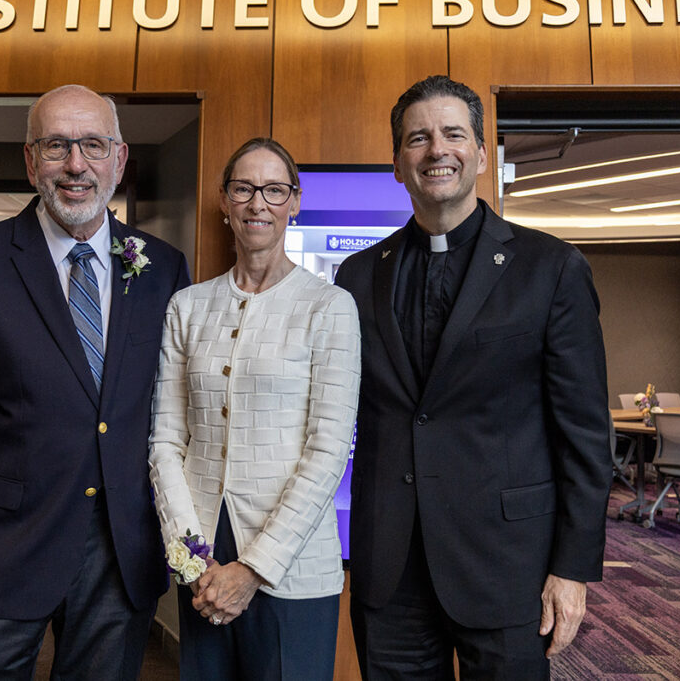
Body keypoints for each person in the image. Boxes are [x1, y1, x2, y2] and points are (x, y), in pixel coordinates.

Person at [335, 75, 611, 679]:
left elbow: (586, 437)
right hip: (391, 570)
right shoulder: (356, 278)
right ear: (397, 163)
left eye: (453, 134)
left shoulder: (551, 269)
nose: (437, 150)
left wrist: (572, 569)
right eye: (418, 138)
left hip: (509, 569)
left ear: (482, 155)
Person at [0, 84, 191, 679]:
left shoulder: (162, 266)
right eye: (57, 145)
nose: (75, 164)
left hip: (120, 551)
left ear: (118, 158)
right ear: (30, 159)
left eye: (92, 145)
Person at [148, 137, 361, 680]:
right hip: (203, 566)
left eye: (273, 189)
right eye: (243, 188)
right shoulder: (187, 306)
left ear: (295, 201)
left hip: (294, 568)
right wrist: (192, 560)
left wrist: (253, 569)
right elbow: (166, 442)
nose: (257, 203)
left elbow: (328, 450)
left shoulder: (330, 307)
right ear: (224, 200)